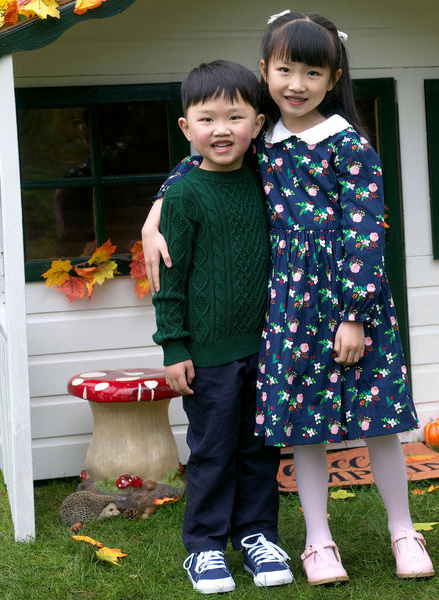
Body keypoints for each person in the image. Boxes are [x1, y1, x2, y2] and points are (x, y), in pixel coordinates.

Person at [143, 11, 434, 584]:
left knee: (377, 422)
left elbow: (367, 233)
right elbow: (204, 160)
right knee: (303, 424)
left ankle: (404, 530)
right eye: (284, 70)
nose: (296, 84)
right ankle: (318, 543)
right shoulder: (263, 138)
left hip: (352, 301)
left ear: (333, 78)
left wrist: (355, 315)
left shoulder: (348, 144)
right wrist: (157, 206)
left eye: (311, 72)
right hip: (290, 307)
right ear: (265, 72)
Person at [151, 60, 293, 595]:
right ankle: (206, 547)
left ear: (257, 123)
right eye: (207, 119)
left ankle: (257, 536)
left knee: (260, 448)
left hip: (266, 345)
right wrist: (174, 345)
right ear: (187, 129)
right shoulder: (185, 195)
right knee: (213, 449)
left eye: (234, 116)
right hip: (208, 353)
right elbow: (171, 279)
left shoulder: (267, 182)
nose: (222, 129)